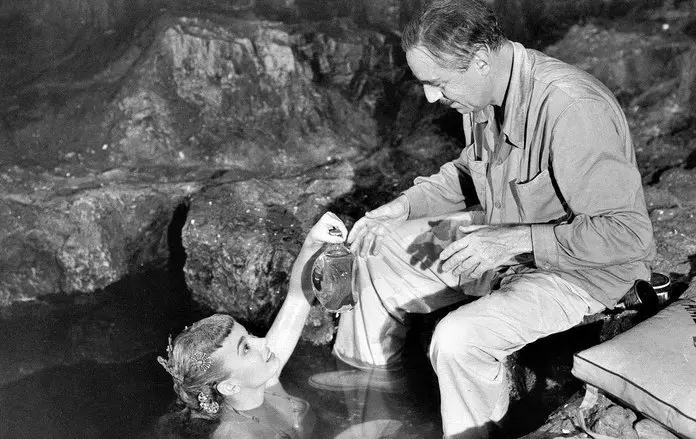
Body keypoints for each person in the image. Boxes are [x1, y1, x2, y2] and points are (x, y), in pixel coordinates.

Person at [307, 0, 656, 438]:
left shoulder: (572, 109)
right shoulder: (483, 93)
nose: (430, 97)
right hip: (503, 238)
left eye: (437, 83)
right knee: (376, 250)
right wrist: (403, 207)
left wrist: (511, 242)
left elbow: (629, 235)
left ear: (480, 60)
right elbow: (466, 173)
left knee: (458, 340)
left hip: (582, 273)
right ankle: (373, 389)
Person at [156, 212, 349, 439]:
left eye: (248, 335)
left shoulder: (264, 380)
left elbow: (297, 299)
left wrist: (312, 242)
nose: (262, 341)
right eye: (246, 348)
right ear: (230, 386)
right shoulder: (237, 435)